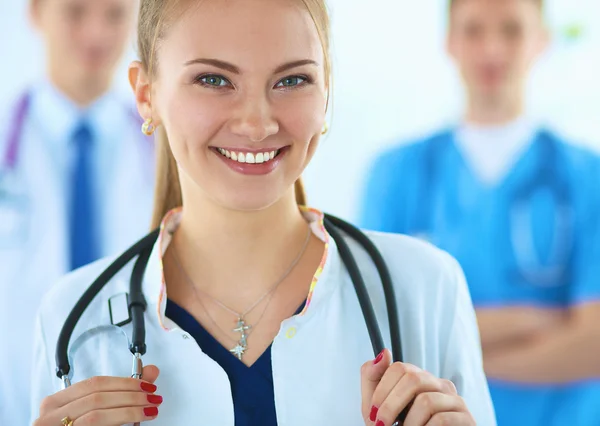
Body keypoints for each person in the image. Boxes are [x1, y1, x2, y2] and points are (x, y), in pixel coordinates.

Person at [28, 0, 497, 424]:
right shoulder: (74, 324)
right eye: (213, 80)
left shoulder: (425, 289)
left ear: (326, 94)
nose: (257, 123)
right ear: (146, 94)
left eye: (292, 80)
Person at [359, 0, 600, 425]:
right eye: (473, 31)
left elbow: (593, 343)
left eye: (511, 30)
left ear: (541, 41)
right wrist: (541, 321)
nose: (491, 49)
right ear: (450, 42)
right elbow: (375, 334)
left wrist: (454, 356)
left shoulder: (587, 176)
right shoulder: (398, 173)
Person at [0, 0, 154, 424]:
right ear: (35, 12)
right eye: (75, 11)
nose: (96, 33)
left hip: (136, 406)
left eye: (115, 14)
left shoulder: (168, 156)